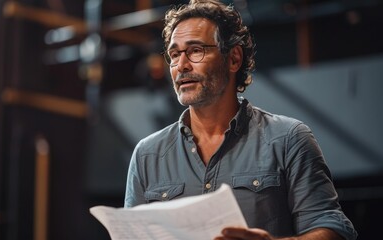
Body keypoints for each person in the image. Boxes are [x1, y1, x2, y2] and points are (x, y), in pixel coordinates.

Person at [124, 0, 358, 239]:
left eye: (195, 50)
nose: (181, 65)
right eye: (174, 55)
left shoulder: (289, 139)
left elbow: (333, 228)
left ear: (234, 58)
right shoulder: (147, 155)